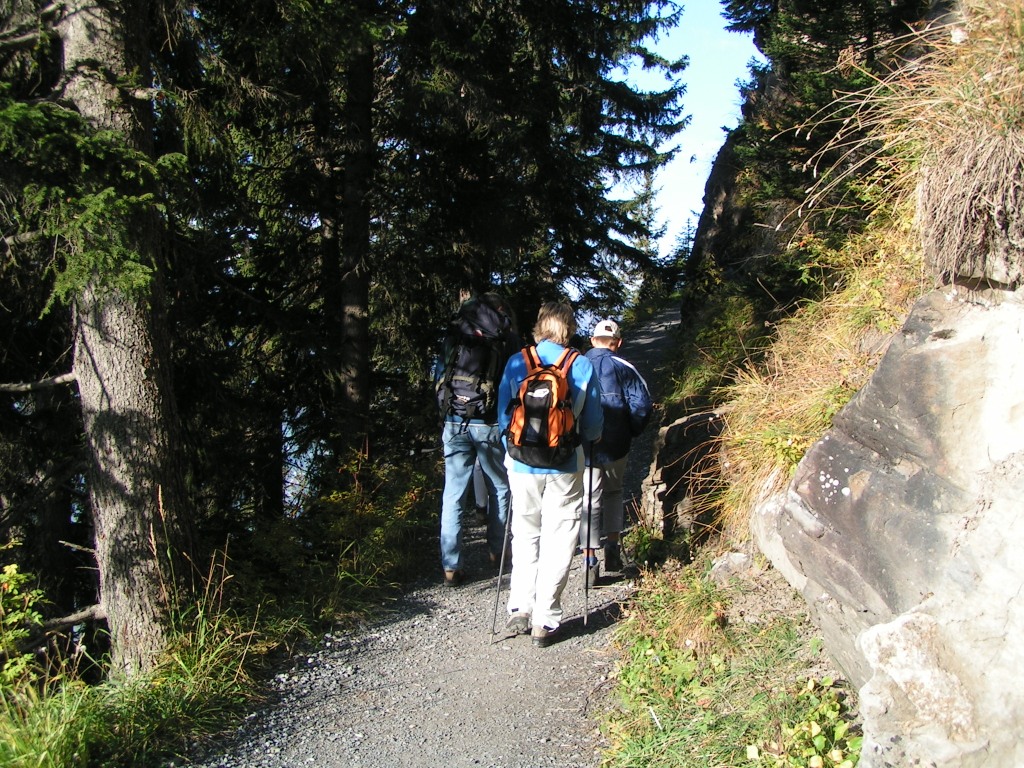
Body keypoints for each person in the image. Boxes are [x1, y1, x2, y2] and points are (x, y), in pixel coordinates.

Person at [498, 301, 603, 647]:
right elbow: (592, 425)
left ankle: (520, 607)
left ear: (540, 325)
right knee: (560, 537)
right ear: (569, 328)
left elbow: (503, 417)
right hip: (565, 463)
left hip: (521, 463)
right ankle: (545, 619)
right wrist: (585, 440)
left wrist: (513, 448)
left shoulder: (518, 361)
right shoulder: (580, 364)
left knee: (525, 532)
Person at [437, 292, 521, 586]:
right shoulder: (506, 335)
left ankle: (451, 565)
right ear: (500, 309)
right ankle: (498, 552)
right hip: (488, 422)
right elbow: (514, 381)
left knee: (453, 493)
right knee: (499, 487)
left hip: (454, 420)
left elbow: (440, 373)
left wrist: (445, 412)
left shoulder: (455, 331)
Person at [579, 319, 653, 587]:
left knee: (589, 498)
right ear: (618, 343)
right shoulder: (624, 366)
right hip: (616, 444)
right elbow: (642, 404)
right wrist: (630, 430)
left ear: (592, 341)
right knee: (613, 492)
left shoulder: (577, 365)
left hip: (584, 445)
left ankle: (589, 559)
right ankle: (612, 547)